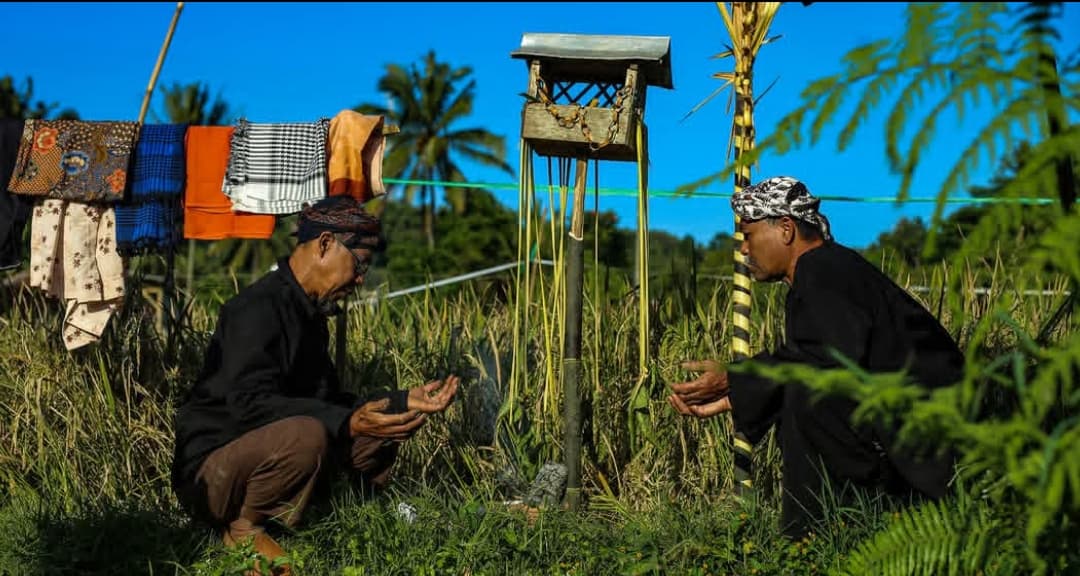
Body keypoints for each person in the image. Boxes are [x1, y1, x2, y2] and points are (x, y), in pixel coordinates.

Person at [171, 195, 460, 573]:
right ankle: (244, 526)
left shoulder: (311, 317)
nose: (359, 280)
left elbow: (330, 401)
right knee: (307, 435)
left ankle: (350, 514)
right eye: (359, 266)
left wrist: (401, 401)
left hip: (268, 449)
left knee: (380, 426)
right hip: (212, 473)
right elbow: (249, 405)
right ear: (325, 244)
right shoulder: (256, 308)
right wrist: (345, 421)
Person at [667, 176, 963, 538]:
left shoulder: (824, 269)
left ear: (786, 229)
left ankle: (814, 538)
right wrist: (735, 392)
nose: (744, 250)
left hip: (938, 435)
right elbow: (814, 358)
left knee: (805, 398)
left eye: (748, 235)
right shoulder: (826, 270)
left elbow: (825, 361)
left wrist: (735, 380)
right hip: (918, 428)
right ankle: (841, 530)